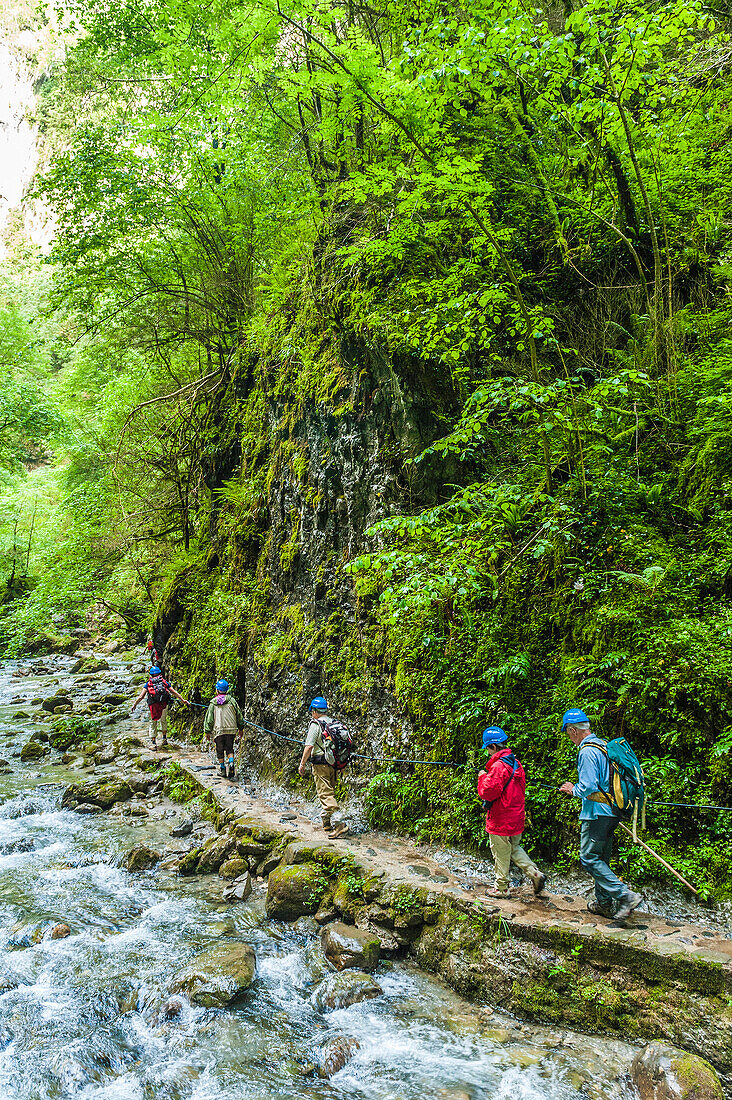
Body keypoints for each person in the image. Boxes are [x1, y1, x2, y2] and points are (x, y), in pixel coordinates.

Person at [559, 708, 642, 921]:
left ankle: (626, 896)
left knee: (588, 857)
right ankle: (604, 904)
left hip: (597, 813)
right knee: (601, 858)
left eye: (568, 732)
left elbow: (587, 786)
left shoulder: (587, 751)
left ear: (573, 730)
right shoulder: (603, 745)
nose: (569, 737)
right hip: (612, 811)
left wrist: (572, 789)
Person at [477, 726, 546, 897]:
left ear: (493, 747)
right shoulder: (515, 763)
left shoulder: (499, 766)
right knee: (514, 847)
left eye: (487, 748)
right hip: (516, 816)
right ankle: (535, 874)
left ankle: (501, 888)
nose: (487, 752)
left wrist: (482, 777)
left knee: (500, 853)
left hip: (501, 817)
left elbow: (487, 791)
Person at [297, 696, 348, 838]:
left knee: (325, 794)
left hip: (320, 764)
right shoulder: (333, 723)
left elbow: (309, 747)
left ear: (314, 711)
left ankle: (340, 825)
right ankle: (326, 822)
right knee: (329, 791)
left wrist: (302, 764)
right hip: (333, 764)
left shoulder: (316, 725)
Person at [131, 666, 188, 750]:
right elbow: (174, 692)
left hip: (153, 706)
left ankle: (154, 743)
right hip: (163, 705)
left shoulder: (148, 684)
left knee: (153, 722)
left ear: (151, 674)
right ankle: (164, 739)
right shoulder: (164, 682)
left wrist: (135, 704)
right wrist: (183, 700)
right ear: (160, 673)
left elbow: (141, 697)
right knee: (163, 720)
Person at [204, 679, 244, 780]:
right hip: (231, 729)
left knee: (220, 750)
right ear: (227, 690)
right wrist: (241, 728)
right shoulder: (232, 701)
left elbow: (209, 719)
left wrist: (207, 731)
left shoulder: (213, 703)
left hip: (219, 730)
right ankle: (231, 763)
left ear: (217, 690)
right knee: (230, 748)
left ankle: (222, 770)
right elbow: (239, 715)